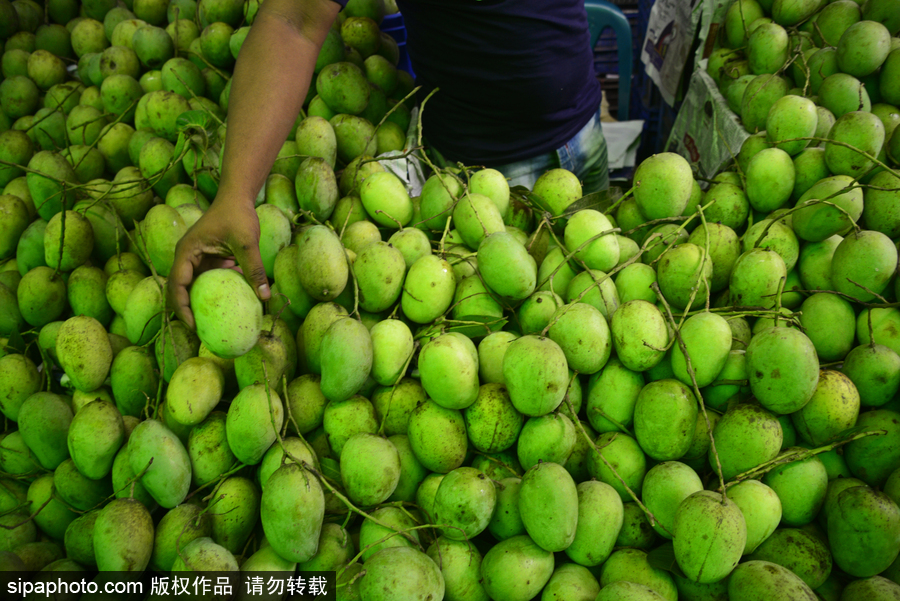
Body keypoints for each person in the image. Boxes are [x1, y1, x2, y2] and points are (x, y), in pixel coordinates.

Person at [168, 0, 609, 327]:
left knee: (591, 304)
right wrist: (235, 194)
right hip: (460, 172)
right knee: (531, 323)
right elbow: (292, 21)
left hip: (578, 133)